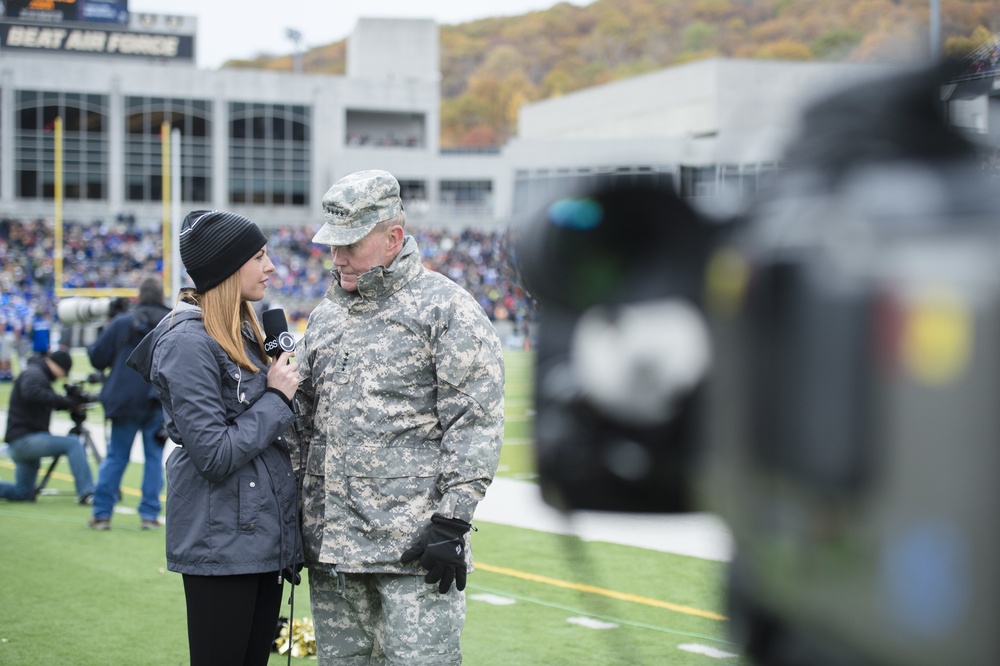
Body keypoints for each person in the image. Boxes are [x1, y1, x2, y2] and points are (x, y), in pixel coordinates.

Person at [292, 170, 505, 664]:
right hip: (335, 556)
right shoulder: (327, 315)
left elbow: (475, 420)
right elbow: (302, 423)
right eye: (333, 245)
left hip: (414, 554)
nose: (338, 257)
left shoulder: (446, 309)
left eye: (351, 244)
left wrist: (453, 521)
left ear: (392, 238)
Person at [126, 210, 303, 666]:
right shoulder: (187, 342)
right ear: (228, 267)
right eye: (259, 257)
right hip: (221, 537)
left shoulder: (242, 328)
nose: (271, 267)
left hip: (260, 536)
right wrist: (277, 398)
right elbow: (214, 453)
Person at [87, 275, 171, 531]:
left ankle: (102, 514)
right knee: (153, 458)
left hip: (123, 399)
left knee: (116, 457)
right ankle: (149, 515)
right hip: (157, 399)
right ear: (161, 297)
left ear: (139, 296)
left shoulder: (123, 322)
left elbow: (97, 358)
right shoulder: (172, 322)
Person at [0, 349, 96, 503]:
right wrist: (66, 402)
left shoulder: (36, 372)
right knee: (73, 443)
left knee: (22, 493)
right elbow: (31, 393)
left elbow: (42, 398)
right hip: (25, 440)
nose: (62, 376)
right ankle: (87, 492)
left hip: (21, 440)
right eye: (64, 372)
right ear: (57, 365)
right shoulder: (34, 373)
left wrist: (65, 403)